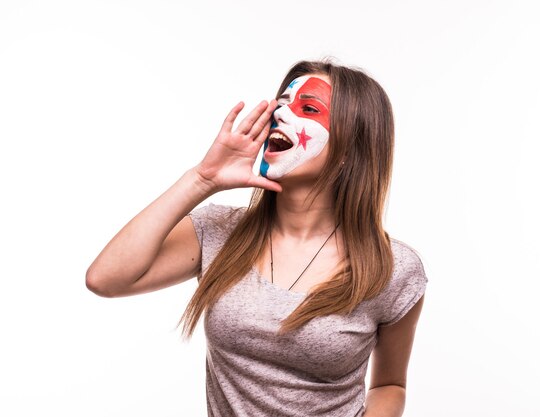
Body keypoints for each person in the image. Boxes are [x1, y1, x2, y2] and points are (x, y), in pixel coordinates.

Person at [86, 59, 428, 417]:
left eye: (307, 108)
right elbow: (105, 279)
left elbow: (390, 385)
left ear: (350, 150)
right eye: (282, 103)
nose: (281, 114)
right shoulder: (219, 231)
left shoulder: (393, 269)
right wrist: (203, 179)